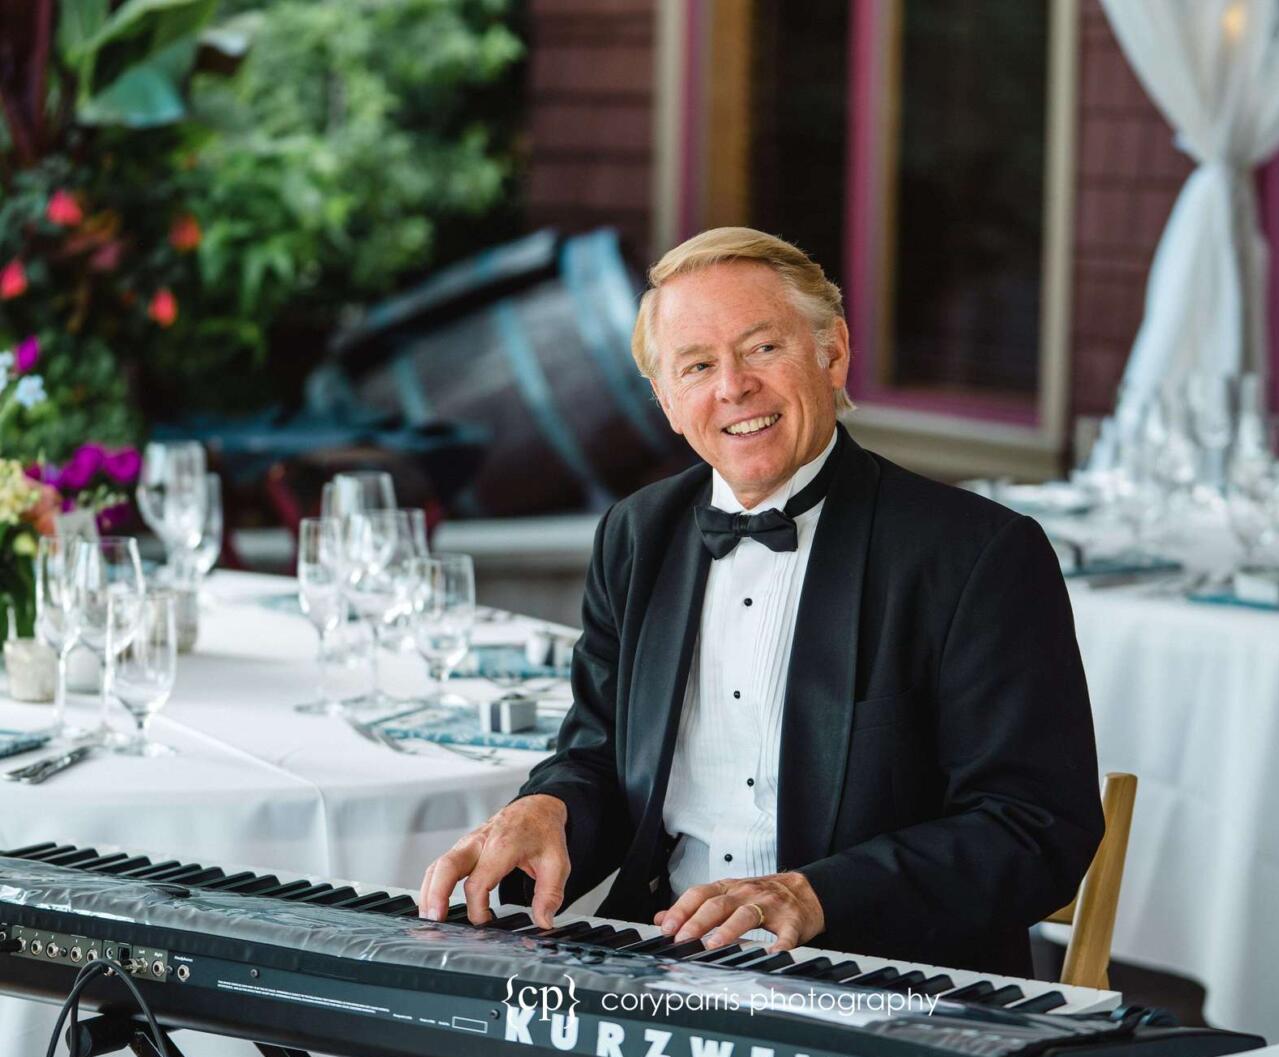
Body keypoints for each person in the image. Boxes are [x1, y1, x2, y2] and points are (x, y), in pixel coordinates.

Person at [419, 227, 1102, 976]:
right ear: (667, 401)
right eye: (698, 365)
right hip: (661, 964)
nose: (733, 387)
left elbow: (1036, 829)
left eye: (763, 349)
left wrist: (814, 896)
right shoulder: (635, 536)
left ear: (832, 353)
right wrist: (547, 807)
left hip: (888, 983)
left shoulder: (976, 554)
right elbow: (599, 759)